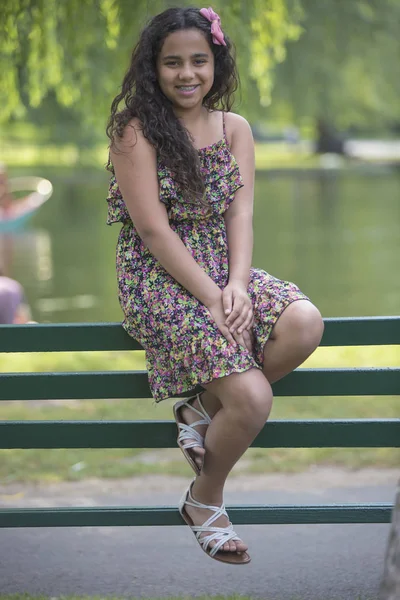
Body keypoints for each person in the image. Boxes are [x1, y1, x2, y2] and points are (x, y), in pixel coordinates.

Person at [106, 6, 324, 564]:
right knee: (252, 398)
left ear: (216, 62)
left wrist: (238, 285)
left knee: (304, 321)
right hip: (159, 278)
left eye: (198, 61)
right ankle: (206, 499)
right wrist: (210, 294)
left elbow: (240, 215)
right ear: (153, 69)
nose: (186, 73)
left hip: (224, 270)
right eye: (172, 62)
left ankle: (198, 409)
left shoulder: (235, 129)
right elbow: (153, 231)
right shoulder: (135, 130)